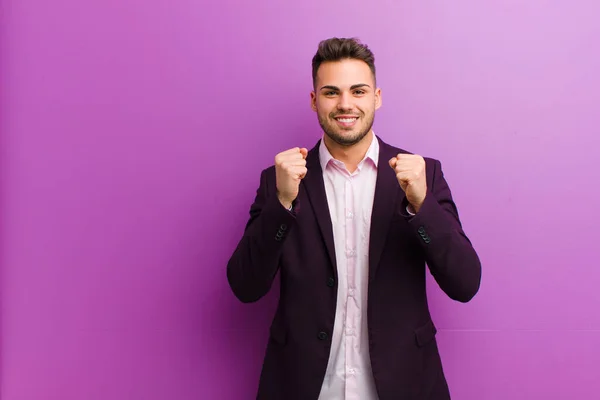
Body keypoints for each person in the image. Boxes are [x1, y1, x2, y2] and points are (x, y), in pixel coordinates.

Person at [226, 37, 482, 400]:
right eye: (331, 92)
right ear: (315, 101)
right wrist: (282, 202)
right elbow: (245, 286)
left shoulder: (424, 175)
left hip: (403, 385)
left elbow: (466, 283)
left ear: (376, 96)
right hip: (303, 387)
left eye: (357, 91)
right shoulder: (279, 180)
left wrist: (421, 205)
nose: (345, 104)